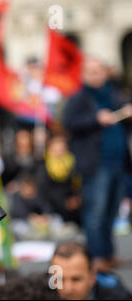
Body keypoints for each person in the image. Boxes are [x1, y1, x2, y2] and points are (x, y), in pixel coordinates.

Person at [63, 57, 132, 272]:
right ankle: (96, 257)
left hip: (118, 163)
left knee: (112, 211)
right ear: (84, 74)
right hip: (96, 165)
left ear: (105, 73)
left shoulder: (113, 95)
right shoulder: (79, 99)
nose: (95, 75)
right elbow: (68, 123)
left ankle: (108, 254)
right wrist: (95, 119)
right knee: (95, 212)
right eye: (90, 71)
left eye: (98, 71)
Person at [50, 241, 132, 300]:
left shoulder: (116, 295)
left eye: (76, 279)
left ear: (92, 276)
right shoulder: (40, 291)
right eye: (59, 279)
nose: (68, 289)